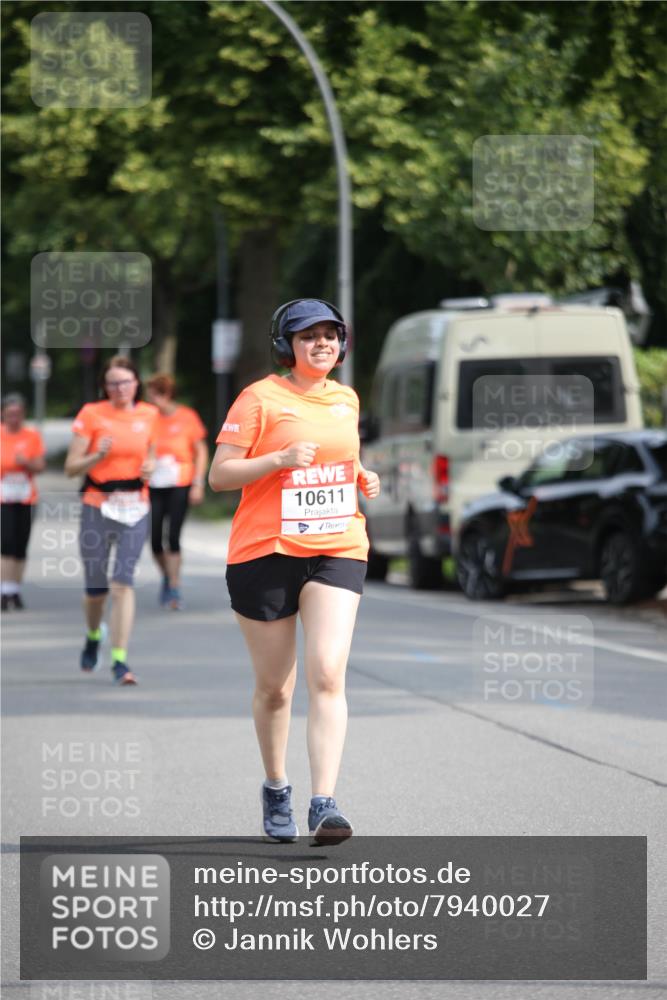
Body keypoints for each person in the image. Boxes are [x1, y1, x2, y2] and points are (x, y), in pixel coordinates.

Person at [209, 299, 380, 845]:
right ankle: (276, 785)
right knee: (276, 688)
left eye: (330, 335)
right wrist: (278, 461)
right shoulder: (259, 398)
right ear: (288, 346)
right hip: (266, 551)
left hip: (338, 545)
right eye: (308, 337)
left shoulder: (345, 399)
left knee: (328, 672)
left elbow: (341, 458)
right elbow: (219, 475)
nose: (321, 344)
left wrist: (362, 475)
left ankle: (324, 803)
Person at [64, 356, 157, 686]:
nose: (120, 388)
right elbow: (71, 467)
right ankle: (92, 633)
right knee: (96, 590)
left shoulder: (149, 414)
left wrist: (150, 466)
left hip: (135, 507)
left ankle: (120, 659)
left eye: (126, 382)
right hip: (97, 506)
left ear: (136, 383)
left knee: (122, 583)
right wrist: (96, 455)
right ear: (105, 387)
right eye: (113, 383)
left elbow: (152, 452)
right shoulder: (92, 414)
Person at [145, 373, 208, 610]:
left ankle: (174, 586)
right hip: (154, 483)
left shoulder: (187, 417)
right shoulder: (148, 418)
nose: (153, 400)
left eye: (156, 395)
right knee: (154, 540)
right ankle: (165, 574)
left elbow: (200, 451)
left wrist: (199, 482)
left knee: (173, 536)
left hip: (180, 481)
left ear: (167, 394)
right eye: (151, 395)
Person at [1, 393, 46, 610]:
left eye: (18, 414)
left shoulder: (31, 436)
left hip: (26, 497)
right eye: (10, 414)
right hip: (3, 497)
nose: (14, 418)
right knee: (6, 543)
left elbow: (40, 466)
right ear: (3, 415)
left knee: (21, 546)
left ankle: (15, 589)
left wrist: (26, 463)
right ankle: (4, 590)